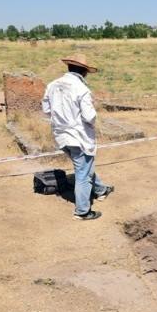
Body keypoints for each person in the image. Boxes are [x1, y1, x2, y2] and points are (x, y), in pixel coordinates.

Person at [42, 54, 114, 221]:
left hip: (61, 135)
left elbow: (46, 110)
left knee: (84, 166)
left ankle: (101, 190)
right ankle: (82, 211)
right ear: (84, 72)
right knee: (83, 173)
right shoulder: (82, 89)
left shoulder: (52, 85)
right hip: (79, 137)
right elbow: (90, 116)